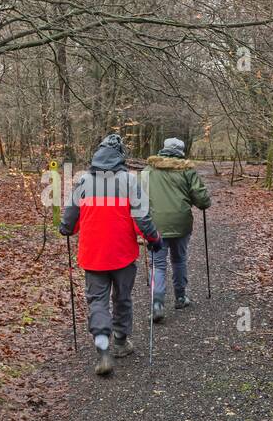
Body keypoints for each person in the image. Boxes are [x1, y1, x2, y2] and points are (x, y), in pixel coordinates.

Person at [60, 133, 163, 376]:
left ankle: (103, 349)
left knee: (97, 300)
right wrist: (154, 239)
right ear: (120, 157)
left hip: (93, 253)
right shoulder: (128, 181)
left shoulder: (83, 181)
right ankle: (119, 341)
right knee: (122, 297)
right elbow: (142, 218)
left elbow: (70, 219)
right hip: (122, 253)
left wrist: (65, 228)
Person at [141, 137, 211, 321]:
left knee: (158, 263)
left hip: (155, 224)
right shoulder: (187, 171)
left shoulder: (148, 171)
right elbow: (202, 201)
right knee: (179, 260)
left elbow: (139, 198)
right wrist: (204, 199)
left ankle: (157, 303)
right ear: (181, 151)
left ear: (163, 149)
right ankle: (180, 297)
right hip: (181, 223)